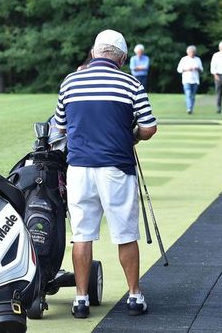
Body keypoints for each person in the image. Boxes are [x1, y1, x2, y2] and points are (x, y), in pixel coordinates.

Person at [54, 29, 157, 318]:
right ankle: (135, 296)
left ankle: (81, 300)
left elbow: (60, 126)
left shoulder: (70, 81)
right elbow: (149, 127)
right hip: (116, 168)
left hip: (79, 169)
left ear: (94, 52)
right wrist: (132, 135)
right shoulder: (130, 82)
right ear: (122, 58)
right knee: (125, 234)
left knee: (82, 235)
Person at [177, 45, 203, 114]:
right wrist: (187, 69)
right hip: (186, 80)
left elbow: (201, 70)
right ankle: (189, 108)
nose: (192, 53)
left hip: (195, 80)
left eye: (193, 52)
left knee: (193, 96)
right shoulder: (184, 59)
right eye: (191, 52)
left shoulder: (198, 59)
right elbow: (179, 70)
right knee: (188, 94)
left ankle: (191, 107)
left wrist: (197, 68)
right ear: (187, 52)